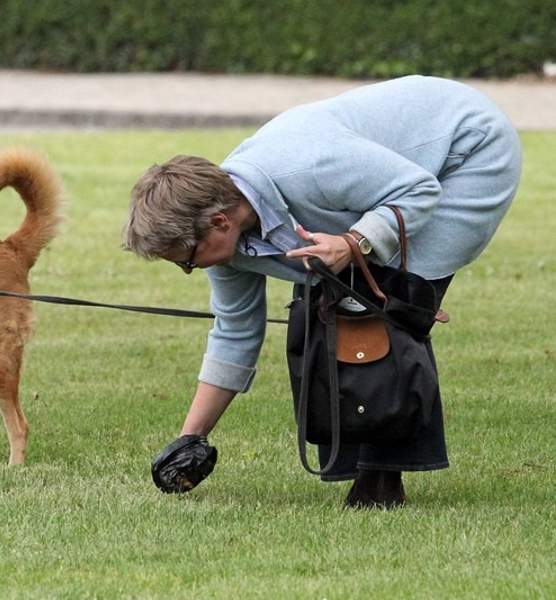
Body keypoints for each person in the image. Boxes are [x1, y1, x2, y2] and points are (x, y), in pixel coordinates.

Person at [123, 75, 522, 508]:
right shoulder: (225, 242)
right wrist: (190, 439)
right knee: (332, 306)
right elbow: (235, 333)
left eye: (186, 258)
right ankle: (361, 472)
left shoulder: (309, 164)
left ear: (219, 222)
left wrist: (354, 243)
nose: (189, 269)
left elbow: (419, 188)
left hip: (469, 151)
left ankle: (379, 485)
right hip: (404, 176)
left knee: (384, 305)